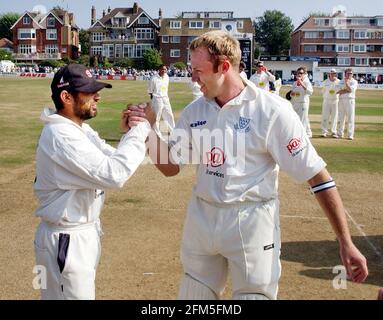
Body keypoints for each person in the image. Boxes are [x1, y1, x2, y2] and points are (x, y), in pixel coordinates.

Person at [126, 30, 368, 300]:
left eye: (198, 70)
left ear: (225, 67)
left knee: (254, 296)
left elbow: (318, 177)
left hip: (251, 222)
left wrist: (345, 242)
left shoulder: (272, 111)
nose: (192, 78)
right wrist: (147, 132)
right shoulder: (196, 110)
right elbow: (171, 165)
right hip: (202, 219)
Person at [33, 64, 155, 300]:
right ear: (66, 97)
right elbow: (114, 174)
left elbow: (114, 159)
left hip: (78, 235)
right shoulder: (61, 136)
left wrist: (128, 133)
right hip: (66, 240)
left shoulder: (79, 129)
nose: (97, 95)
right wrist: (140, 129)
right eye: (89, 91)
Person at [148, 64, 175, 140]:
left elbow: (165, 88)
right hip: (157, 99)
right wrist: (154, 98)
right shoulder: (153, 78)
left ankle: (173, 132)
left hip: (165, 98)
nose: (164, 71)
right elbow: (150, 90)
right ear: (159, 70)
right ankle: (157, 135)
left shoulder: (167, 77)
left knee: (169, 115)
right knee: (157, 117)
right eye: (162, 69)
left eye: (165, 69)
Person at [290, 67, 314, 138]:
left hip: (303, 103)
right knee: (300, 119)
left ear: (304, 74)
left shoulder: (306, 82)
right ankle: (309, 133)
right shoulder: (294, 83)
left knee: (302, 120)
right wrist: (291, 94)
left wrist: (301, 83)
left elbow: (310, 92)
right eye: (298, 73)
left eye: (301, 73)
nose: (299, 74)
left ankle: (301, 136)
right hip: (295, 103)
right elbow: (293, 93)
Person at [336, 68, 358, 140]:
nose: (349, 75)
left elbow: (351, 90)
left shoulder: (354, 82)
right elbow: (338, 91)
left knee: (350, 118)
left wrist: (346, 84)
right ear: (345, 74)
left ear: (352, 74)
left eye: (351, 73)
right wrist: (346, 90)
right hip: (341, 100)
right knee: (341, 118)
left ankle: (350, 135)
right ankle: (340, 134)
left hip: (350, 100)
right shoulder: (340, 81)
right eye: (348, 73)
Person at [320, 69, 341, 138]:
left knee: (334, 117)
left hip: (335, 101)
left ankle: (333, 132)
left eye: (334, 73)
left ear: (336, 74)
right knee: (325, 116)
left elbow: (341, 91)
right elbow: (322, 91)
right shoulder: (325, 82)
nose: (333, 75)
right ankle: (324, 131)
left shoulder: (339, 82)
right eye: (331, 73)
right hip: (326, 100)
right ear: (329, 74)